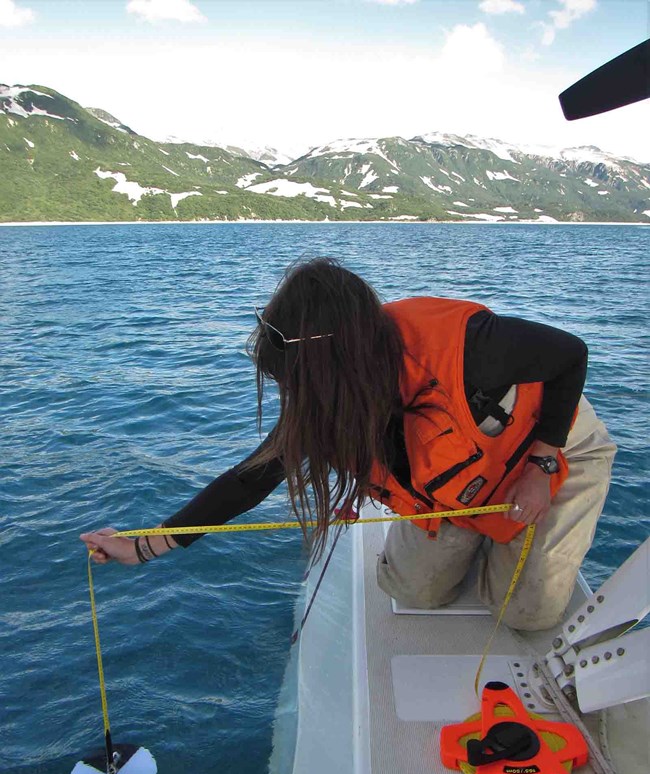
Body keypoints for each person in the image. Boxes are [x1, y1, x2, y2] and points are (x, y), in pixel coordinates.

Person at [80, 257, 616, 631]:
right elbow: (252, 477)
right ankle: (479, 538)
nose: (301, 398)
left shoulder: (470, 348)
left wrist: (544, 463)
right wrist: (146, 545)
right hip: (461, 484)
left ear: (341, 361)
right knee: (414, 593)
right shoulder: (331, 390)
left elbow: (571, 353)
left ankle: (514, 543)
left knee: (523, 615)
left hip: (550, 447)